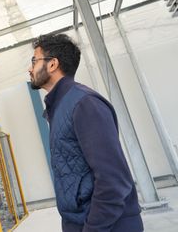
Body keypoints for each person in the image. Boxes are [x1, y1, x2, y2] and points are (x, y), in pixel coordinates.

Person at [29, 34, 143, 232]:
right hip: (79, 221)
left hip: (106, 226)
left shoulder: (84, 103)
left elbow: (113, 180)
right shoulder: (60, 106)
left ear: (53, 64)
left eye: (34, 60)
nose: (30, 69)